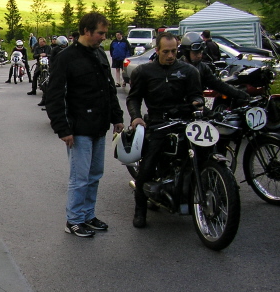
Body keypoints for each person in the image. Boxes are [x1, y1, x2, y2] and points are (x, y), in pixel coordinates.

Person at [44, 12, 124, 237]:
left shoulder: (99, 54)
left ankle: (88, 215)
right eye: (100, 33)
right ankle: (74, 220)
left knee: (95, 174)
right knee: (80, 178)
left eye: (105, 33)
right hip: (78, 129)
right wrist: (63, 128)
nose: (103, 37)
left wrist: (116, 117)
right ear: (86, 31)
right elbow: (54, 95)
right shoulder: (66, 57)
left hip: (99, 126)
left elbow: (109, 88)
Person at [126, 32, 204, 229]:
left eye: (174, 51)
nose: (171, 55)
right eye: (166, 51)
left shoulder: (189, 71)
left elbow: (197, 94)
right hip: (158, 123)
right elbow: (133, 98)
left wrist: (198, 102)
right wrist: (136, 117)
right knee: (147, 166)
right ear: (158, 50)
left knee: (205, 152)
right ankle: (140, 210)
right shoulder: (144, 72)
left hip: (185, 121)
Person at [179, 32, 250, 103]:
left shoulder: (202, 67)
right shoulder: (177, 68)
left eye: (201, 52)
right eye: (196, 53)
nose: (199, 56)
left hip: (197, 106)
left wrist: (243, 96)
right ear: (186, 52)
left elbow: (218, 84)